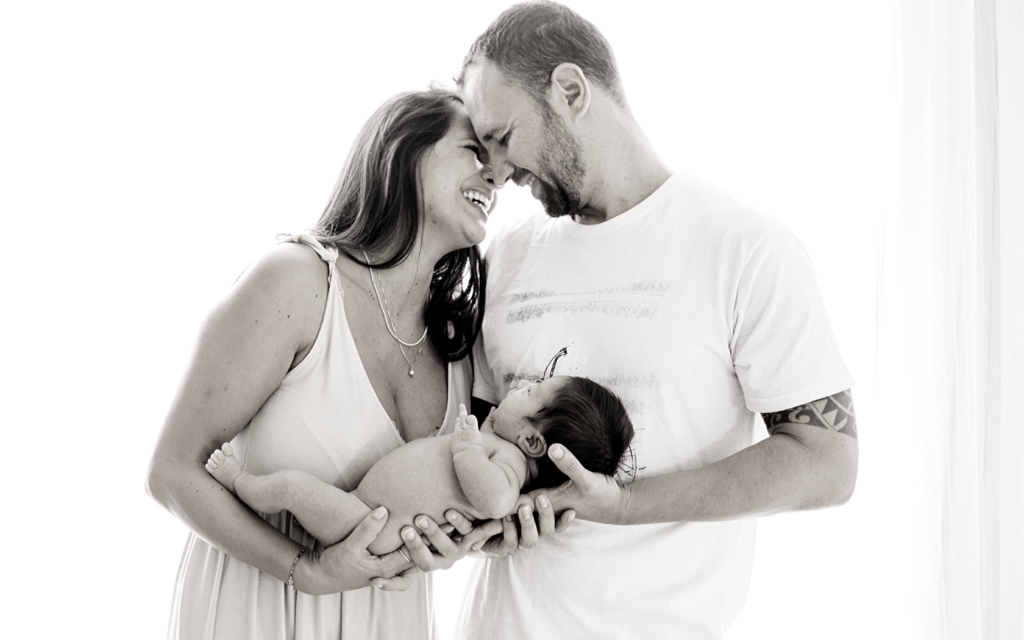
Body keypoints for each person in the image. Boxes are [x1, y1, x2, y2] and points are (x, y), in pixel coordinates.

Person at [454, 2, 860, 639]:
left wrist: (623, 507)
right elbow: (475, 440)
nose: (497, 172)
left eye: (503, 138)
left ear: (569, 90)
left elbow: (828, 463)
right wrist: (479, 524)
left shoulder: (746, 249)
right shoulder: (504, 256)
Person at [146, 89, 503, 640]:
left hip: (387, 620)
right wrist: (306, 571)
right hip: (261, 611)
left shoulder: (460, 350)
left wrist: (446, 544)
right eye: (474, 150)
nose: (495, 176)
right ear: (406, 151)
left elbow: (444, 505)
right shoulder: (297, 283)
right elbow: (171, 474)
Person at [204, 376, 633, 555]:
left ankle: (239, 480)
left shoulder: (509, 465)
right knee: (299, 489)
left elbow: (496, 500)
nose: (519, 384)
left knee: (293, 488)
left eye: (532, 391)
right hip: (363, 510)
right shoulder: (501, 443)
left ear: (533, 441)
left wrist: (466, 446)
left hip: (369, 526)